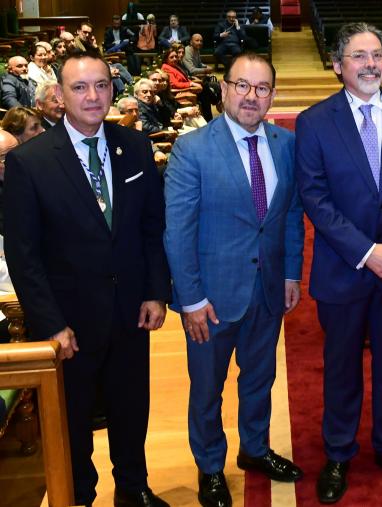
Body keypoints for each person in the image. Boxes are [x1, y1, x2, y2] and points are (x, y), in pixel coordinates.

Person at [3, 48, 170, 507]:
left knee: (131, 407)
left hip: (131, 311)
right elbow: (23, 256)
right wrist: (52, 324)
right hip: (69, 322)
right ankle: (79, 496)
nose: (93, 96)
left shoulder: (134, 146)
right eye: (80, 87)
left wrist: (156, 292)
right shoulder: (30, 162)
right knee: (73, 418)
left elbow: (152, 228)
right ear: (59, 95)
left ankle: (133, 488)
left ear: (113, 89)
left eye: (101, 85)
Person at [295, 22, 382, 504]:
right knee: (341, 368)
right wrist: (366, 252)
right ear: (338, 65)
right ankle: (338, 454)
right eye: (358, 56)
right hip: (344, 269)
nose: (370, 64)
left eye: (376, 54)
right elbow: (315, 197)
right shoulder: (315, 121)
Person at [165, 51, 304, 507]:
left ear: (272, 96)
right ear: (223, 89)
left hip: (267, 290)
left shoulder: (286, 145)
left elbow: (290, 214)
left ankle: (255, 449)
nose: (251, 96)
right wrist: (190, 300)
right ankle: (210, 467)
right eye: (242, 85)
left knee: (259, 378)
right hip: (211, 298)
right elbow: (178, 232)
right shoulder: (192, 148)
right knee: (208, 389)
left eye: (261, 88)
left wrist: (291, 273)